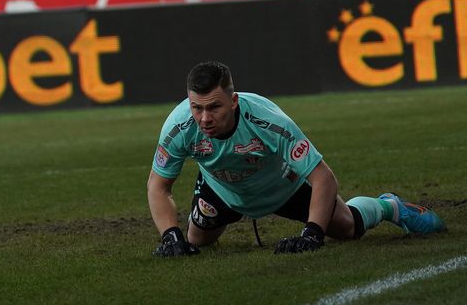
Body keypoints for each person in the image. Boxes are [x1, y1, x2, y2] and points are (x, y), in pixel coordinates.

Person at [147, 61, 446, 257]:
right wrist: (170, 235)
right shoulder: (178, 127)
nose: (204, 118)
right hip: (222, 189)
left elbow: (323, 178)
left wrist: (312, 233)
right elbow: (158, 186)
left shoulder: (268, 121)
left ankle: (390, 206)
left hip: (282, 187)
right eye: (196, 108)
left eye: (214, 107)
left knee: (347, 229)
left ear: (234, 100)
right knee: (194, 241)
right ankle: (212, 220)